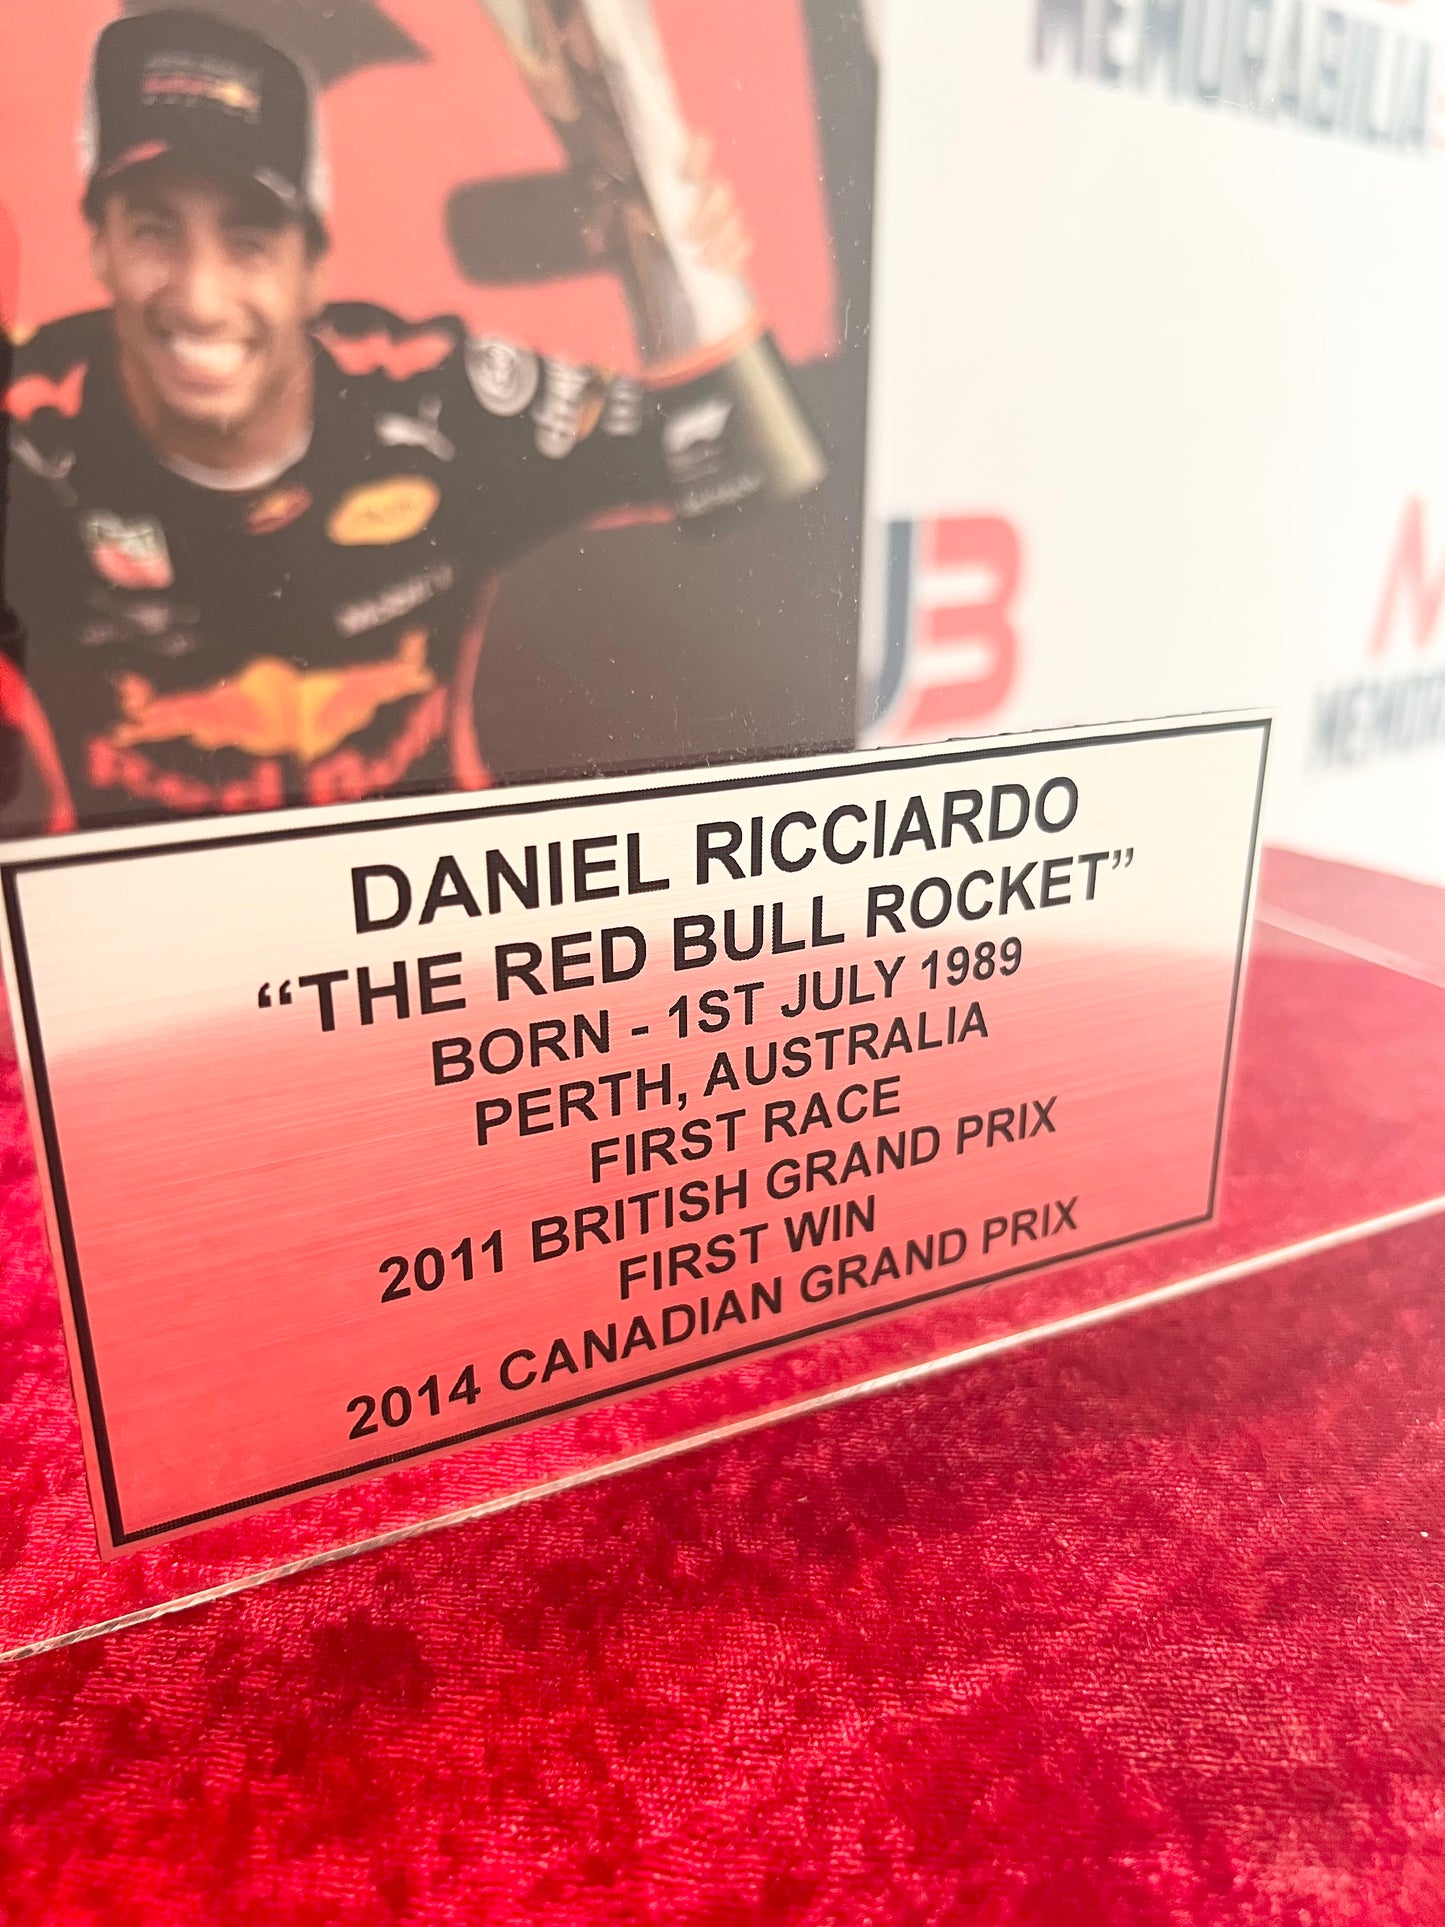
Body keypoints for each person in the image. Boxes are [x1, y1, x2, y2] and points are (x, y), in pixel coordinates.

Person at [0, 7, 762, 834]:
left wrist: (696, 278)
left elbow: (736, 451)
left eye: (249, 241)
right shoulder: (27, 434)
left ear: (314, 268)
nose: (201, 298)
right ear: (99, 245)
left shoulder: (436, 402)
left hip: (419, 893)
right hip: (138, 907)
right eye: (154, 232)